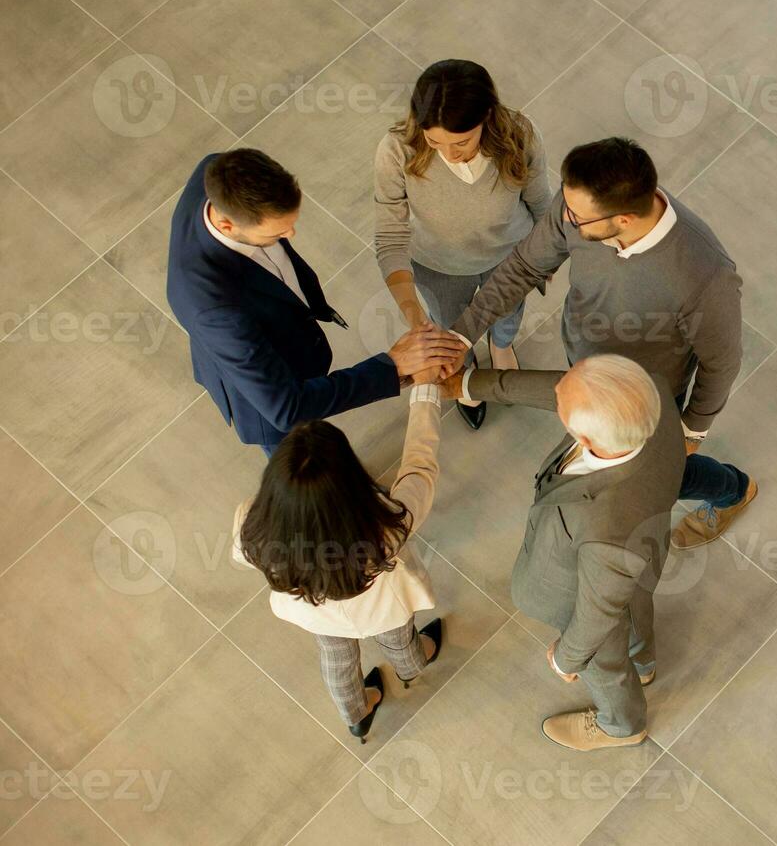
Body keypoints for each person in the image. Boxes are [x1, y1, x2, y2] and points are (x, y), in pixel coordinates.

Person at [449, 137, 757, 550]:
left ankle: (733, 491)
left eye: (576, 217)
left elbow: (722, 362)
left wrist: (691, 430)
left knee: (662, 474)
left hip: (642, 395)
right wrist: (459, 335)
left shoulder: (704, 275)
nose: (564, 217)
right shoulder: (579, 206)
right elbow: (525, 266)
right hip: (586, 363)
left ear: (625, 219)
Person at [442, 355, 683, 750]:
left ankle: (621, 725)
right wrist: (467, 384)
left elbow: (596, 615)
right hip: (643, 553)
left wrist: (567, 659)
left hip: (587, 589)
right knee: (635, 604)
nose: (555, 391)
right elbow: (567, 387)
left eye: (561, 404)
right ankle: (643, 659)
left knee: (603, 661)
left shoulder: (608, 528)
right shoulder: (646, 389)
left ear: (586, 442)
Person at [166, 149, 465, 456]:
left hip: (287, 338)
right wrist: (393, 365)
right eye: (278, 232)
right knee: (306, 465)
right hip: (269, 401)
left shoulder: (217, 170)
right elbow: (287, 408)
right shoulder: (214, 309)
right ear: (228, 225)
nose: (291, 234)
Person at [233, 384, 446, 743]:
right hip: (384, 611)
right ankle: (411, 667)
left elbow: (243, 558)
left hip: (316, 614)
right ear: (350, 480)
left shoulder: (251, 524)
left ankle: (356, 714)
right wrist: (425, 392)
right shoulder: (385, 528)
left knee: (336, 659)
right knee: (400, 640)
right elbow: (419, 468)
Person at [375, 59, 555, 431]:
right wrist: (413, 317)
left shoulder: (521, 134)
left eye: (462, 141)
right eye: (434, 140)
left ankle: (502, 347)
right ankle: (467, 368)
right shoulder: (396, 150)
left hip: (510, 257)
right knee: (447, 322)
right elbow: (390, 236)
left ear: (487, 118)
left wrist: (544, 260)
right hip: (437, 264)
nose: (449, 153)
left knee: (508, 315)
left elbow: (541, 202)